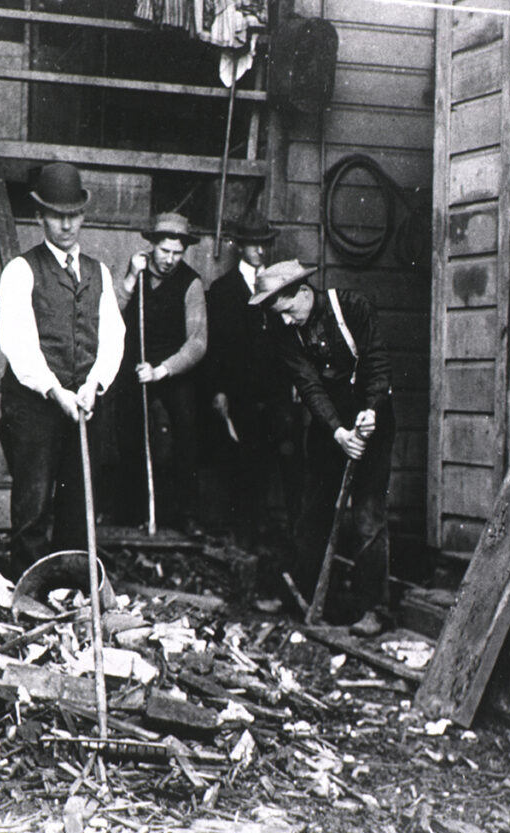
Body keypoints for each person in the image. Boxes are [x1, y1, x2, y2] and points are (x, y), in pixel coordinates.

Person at [250, 260, 394, 636]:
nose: (283, 321)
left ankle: (373, 608)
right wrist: (336, 432)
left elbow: (378, 365)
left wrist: (371, 412)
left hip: (371, 419)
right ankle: (305, 591)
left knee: (367, 514)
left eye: (285, 311)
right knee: (314, 509)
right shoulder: (285, 332)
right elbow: (309, 385)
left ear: (300, 292)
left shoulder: (354, 308)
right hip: (330, 424)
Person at [0, 162, 125, 577]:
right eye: (56, 215)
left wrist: (94, 385)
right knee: (33, 505)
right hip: (35, 405)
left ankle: (69, 591)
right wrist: (55, 391)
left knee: (78, 502)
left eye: (74, 215)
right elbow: (19, 344)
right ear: (40, 217)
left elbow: (113, 337)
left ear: (84, 216)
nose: (67, 224)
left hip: (84, 401)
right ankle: (28, 590)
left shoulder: (99, 272)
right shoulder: (21, 270)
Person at [205, 211, 300, 549]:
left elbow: (289, 340)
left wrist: (292, 383)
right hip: (240, 390)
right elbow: (215, 346)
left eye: (264, 244)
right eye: (253, 244)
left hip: (274, 391)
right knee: (245, 463)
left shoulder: (280, 286)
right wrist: (218, 390)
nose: (260, 251)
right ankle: (246, 538)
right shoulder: (222, 290)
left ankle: (284, 540)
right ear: (239, 245)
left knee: (285, 458)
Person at [112, 212, 207, 532]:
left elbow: (198, 343)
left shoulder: (191, 283)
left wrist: (162, 370)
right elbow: (109, 317)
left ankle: (188, 514)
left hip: (173, 368)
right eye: (165, 251)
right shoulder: (134, 273)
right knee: (126, 427)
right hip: (134, 366)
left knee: (186, 427)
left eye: (177, 253)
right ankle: (128, 511)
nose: (170, 260)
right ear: (151, 245)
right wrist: (128, 278)